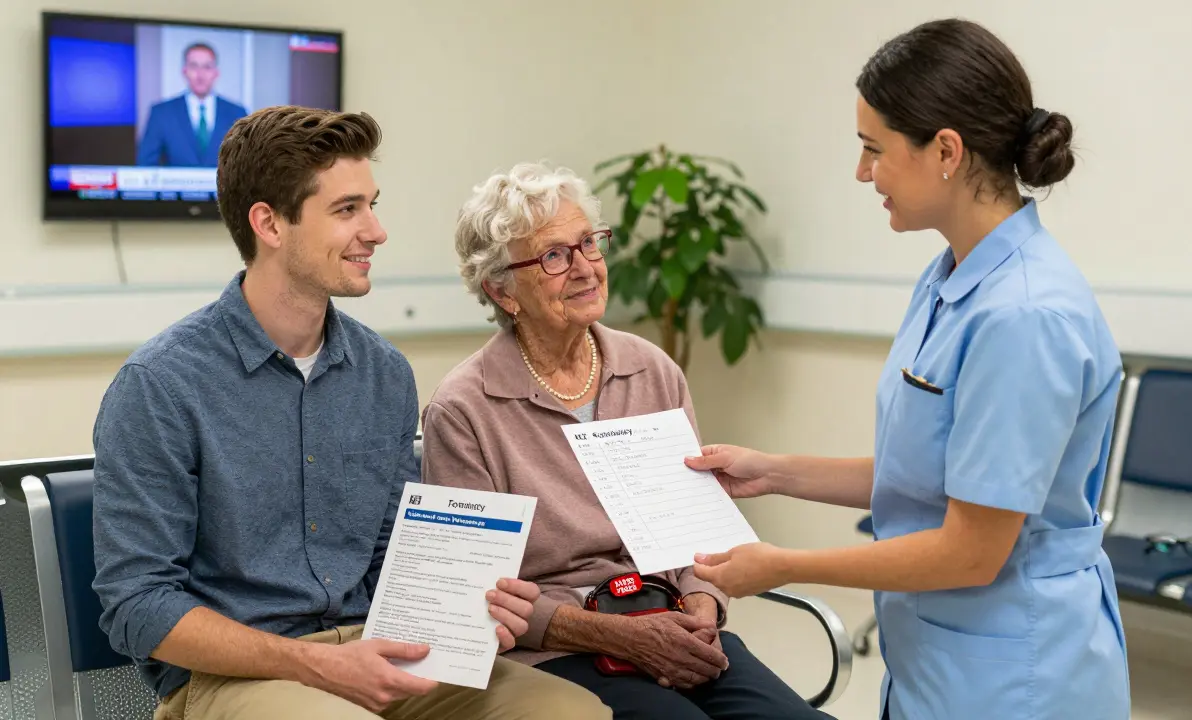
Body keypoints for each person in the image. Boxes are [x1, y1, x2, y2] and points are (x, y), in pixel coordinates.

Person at [92, 107, 610, 720]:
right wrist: (315, 663)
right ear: (269, 224)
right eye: (347, 210)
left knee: (574, 713)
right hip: (235, 678)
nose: (377, 231)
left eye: (372, 204)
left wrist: (468, 610)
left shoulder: (383, 374)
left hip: (377, 650)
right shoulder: (160, 386)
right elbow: (137, 606)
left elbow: (397, 557)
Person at [685, 18, 1130, 720]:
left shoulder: (1024, 315)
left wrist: (783, 564)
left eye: (874, 150)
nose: (863, 173)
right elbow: (924, 475)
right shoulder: (948, 277)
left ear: (946, 150)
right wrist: (773, 471)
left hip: (1017, 680)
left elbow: (971, 552)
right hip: (938, 666)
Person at [420, 162, 832, 720]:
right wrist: (617, 635)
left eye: (589, 243)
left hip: (675, 619)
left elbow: (695, 533)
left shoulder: (651, 370)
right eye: (554, 255)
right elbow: (477, 594)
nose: (586, 267)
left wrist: (705, 606)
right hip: (559, 651)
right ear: (501, 288)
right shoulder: (465, 409)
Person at [136, 42, 248, 167]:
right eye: (194, 66)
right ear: (185, 71)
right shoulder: (161, 113)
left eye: (207, 67)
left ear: (216, 72)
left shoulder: (237, 113)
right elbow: (145, 165)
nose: (200, 75)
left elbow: (246, 165)